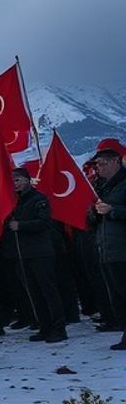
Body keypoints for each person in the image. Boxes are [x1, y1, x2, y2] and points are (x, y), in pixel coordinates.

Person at [4, 167, 67, 343]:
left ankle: (58, 327)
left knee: (48, 290)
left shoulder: (39, 199)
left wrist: (22, 226)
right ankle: (44, 326)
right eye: (13, 181)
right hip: (23, 253)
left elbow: (45, 223)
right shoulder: (15, 202)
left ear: (27, 180)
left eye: (18, 180)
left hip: (40, 252)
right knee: (34, 292)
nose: (15, 184)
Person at [88, 138, 126, 351]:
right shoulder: (100, 187)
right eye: (97, 165)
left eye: (102, 164)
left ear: (115, 162)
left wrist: (113, 211)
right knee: (117, 293)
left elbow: (116, 212)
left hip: (122, 248)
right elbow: (92, 219)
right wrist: (94, 213)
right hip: (106, 247)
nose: (99, 168)